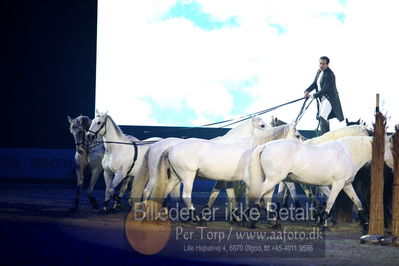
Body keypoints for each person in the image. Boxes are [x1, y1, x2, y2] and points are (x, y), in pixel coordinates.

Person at [304, 56, 344, 134]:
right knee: (323, 117)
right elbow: (315, 83)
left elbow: (325, 89)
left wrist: (313, 96)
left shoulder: (330, 74)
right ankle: (326, 135)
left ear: (327, 65)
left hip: (329, 99)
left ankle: (324, 137)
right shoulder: (319, 72)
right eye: (320, 63)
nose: (321, 65)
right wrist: (307, 91)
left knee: (322, 117)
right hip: (322, 98)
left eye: (323, 64)